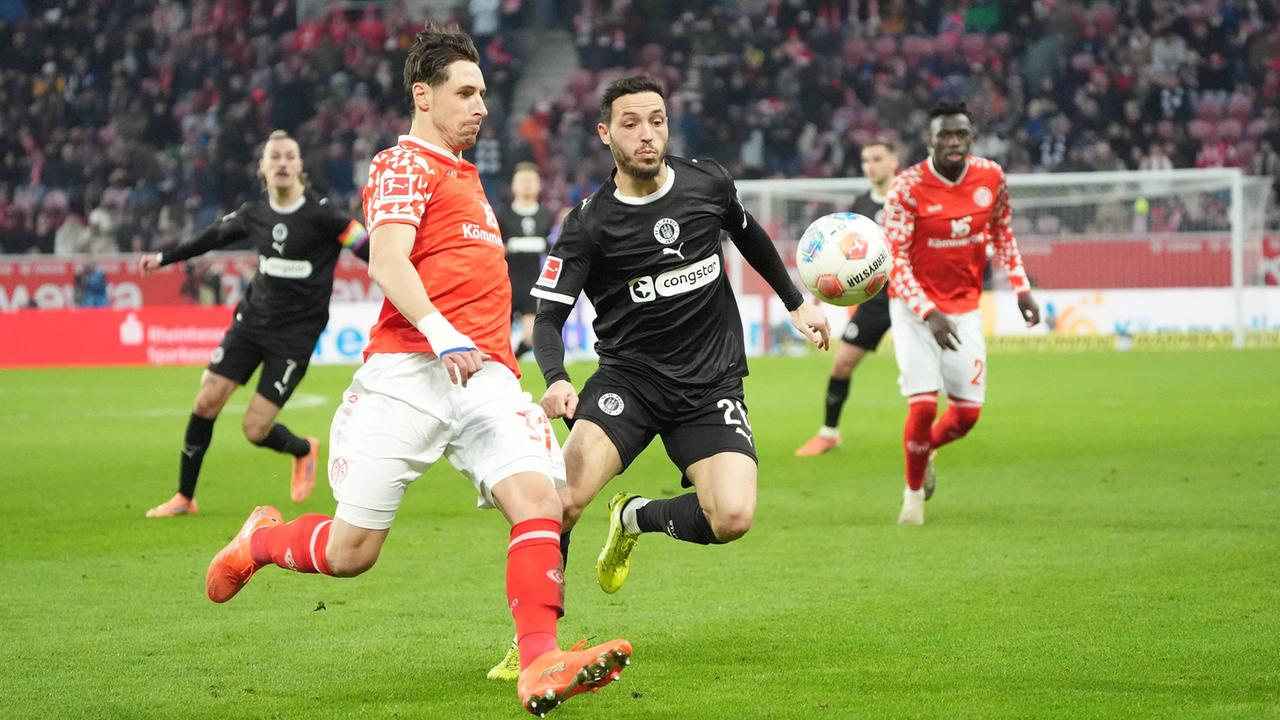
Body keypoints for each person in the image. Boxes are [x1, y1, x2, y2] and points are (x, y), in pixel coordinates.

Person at [202, 25, 629, 718]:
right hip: (408, 373)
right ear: (423, 96)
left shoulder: (467, 176)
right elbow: (386, 260)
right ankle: (261, 541)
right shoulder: (402, 164)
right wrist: (441, 332)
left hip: (485, 374)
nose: (481, 106)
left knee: (540, 503)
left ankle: (539, 661)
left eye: (483, 93)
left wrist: (493, 350)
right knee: (352, 552)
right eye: (466, 93)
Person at [489, 74, 830, 674]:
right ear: (605, 133)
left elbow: (749, 236)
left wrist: (795, 301)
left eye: (656, 121)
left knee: (732, 517)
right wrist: (557, 378)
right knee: (559, 503)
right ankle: (537, 645)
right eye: (630, 123)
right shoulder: (588, 224)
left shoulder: (708, 183)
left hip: (710, 383)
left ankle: (634, 516)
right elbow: (547, 318)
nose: (647, 134)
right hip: (630, 383)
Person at [139, 130, 370, 518]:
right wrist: (164, 258)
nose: (282, 163)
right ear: (262, 167)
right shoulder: (255, 214)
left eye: (289, 156)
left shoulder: (326, 216)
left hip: (295, 337)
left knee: (254, 430)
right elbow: (211, 237)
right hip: (250, 324)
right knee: (207, 399)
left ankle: (303, 449)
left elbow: (369, 249)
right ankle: (184, 497)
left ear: (300, 166)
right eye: (274, 157)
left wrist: (409, 273)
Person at [883, 102, 1040, 525]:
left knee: (967, 416)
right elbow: (894, 259)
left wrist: (1021, 288)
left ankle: (925, 450)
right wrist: (928, 312)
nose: (953, 142)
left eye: (961, 134)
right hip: (915, 310)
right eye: (945, 135)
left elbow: (1001, 231)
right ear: (929, 140)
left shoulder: (991, 177)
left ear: (971, 138)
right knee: (922, 407)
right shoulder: (906, 187)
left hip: (965, 307)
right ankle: (913, 496)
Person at [794, 139, 901, 457]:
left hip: (910, 297)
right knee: (841, 365)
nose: (871, 166)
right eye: (866, 160)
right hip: (875, 301)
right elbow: (836, 259)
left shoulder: (909, 199)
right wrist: (817, 299)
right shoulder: (861, 206)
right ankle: (829, 434)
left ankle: (926, 438)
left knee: (921, 373)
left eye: (877, 158)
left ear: (894, 161)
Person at [496, 162, 554, 359]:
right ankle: (504, 365)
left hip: (532, 286)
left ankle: (514, 360)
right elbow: (494, 247)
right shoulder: (502, 215)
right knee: (501, 338)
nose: (527, 185)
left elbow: (552, 249)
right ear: (513, 185)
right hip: (506, 284)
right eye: (522, 180)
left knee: (531, 338)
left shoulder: (546, 215)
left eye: (531, 180)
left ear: (539, 185)